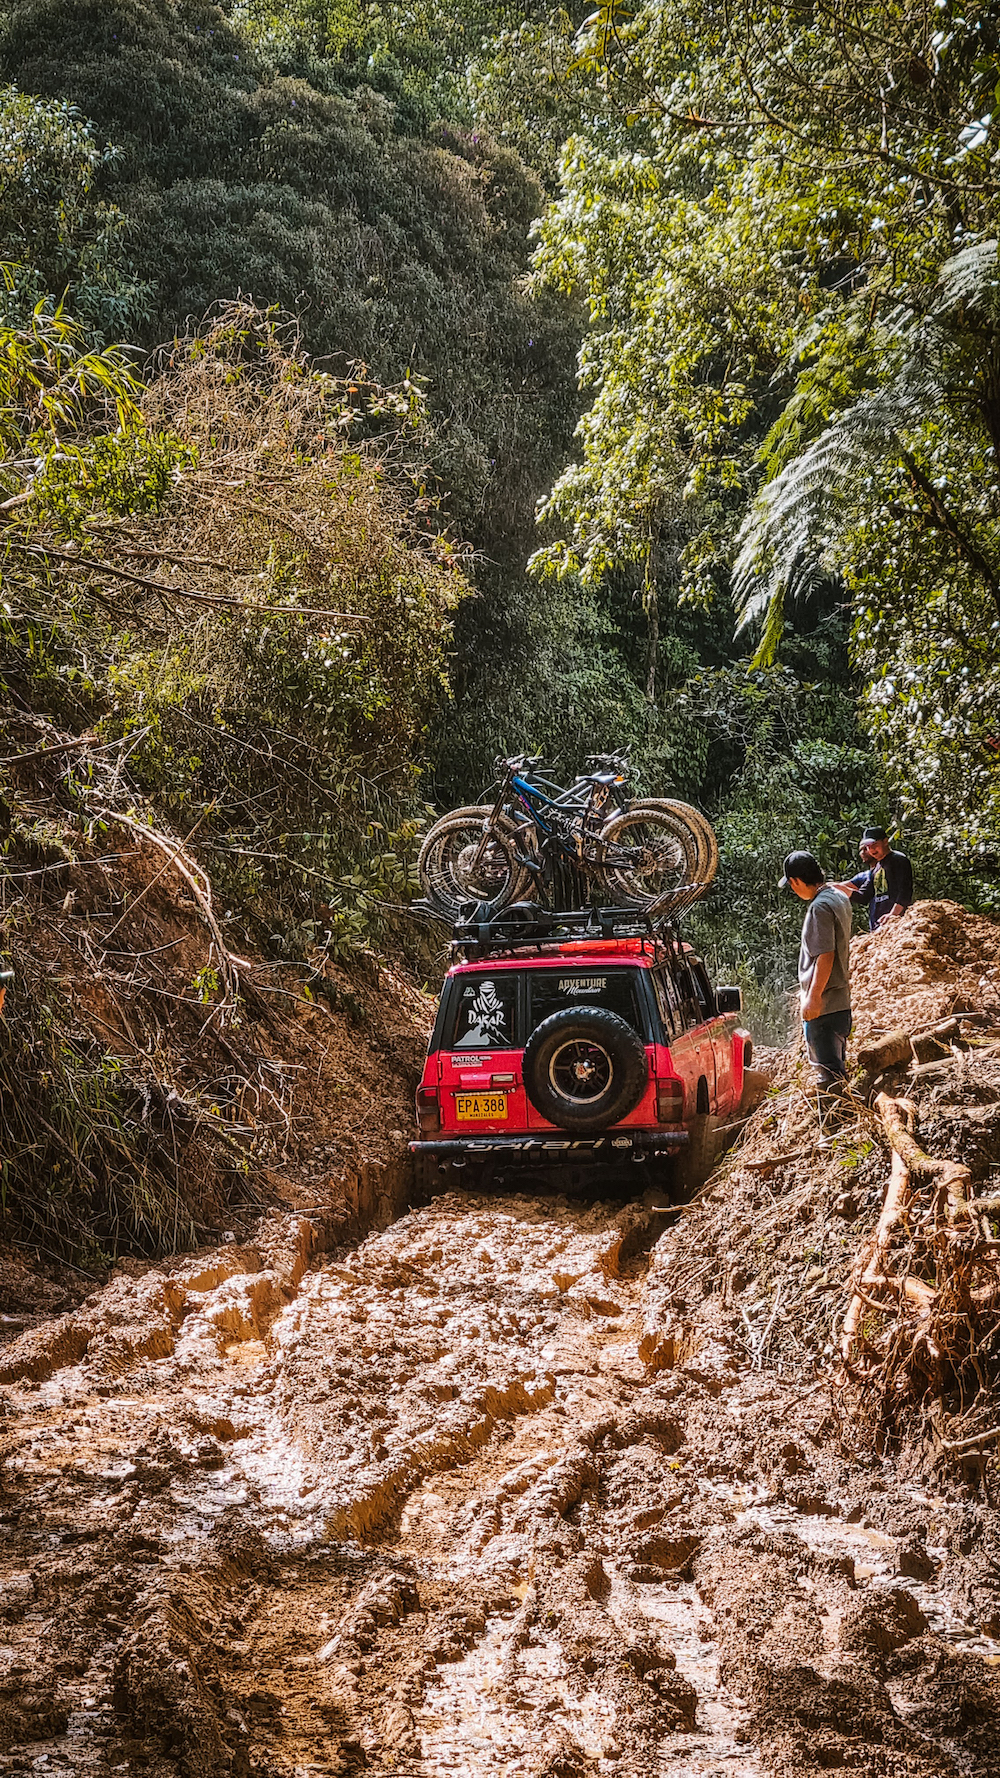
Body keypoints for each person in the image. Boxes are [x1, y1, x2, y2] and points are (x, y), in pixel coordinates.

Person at [779, 850, 853, 1108]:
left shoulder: (819, 908)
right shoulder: (838, 896)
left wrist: (813, 998)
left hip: (825, 1006)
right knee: (837, 1069)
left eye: (791, 884)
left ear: (796, 881)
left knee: (827, 1076)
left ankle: (832, 1132)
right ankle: (845, 1125)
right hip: (841, 1003)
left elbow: (825, 956)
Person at [834, 826, 913, 930]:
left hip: (897, 924)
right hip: (880, 926)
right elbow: (864, 897)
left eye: (874, 845)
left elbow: (905, 892)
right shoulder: (875, 870)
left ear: (885, 841)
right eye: (868, 847)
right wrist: (838, 888)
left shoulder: (898, 860)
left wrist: (893, 915)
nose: (871, 850)